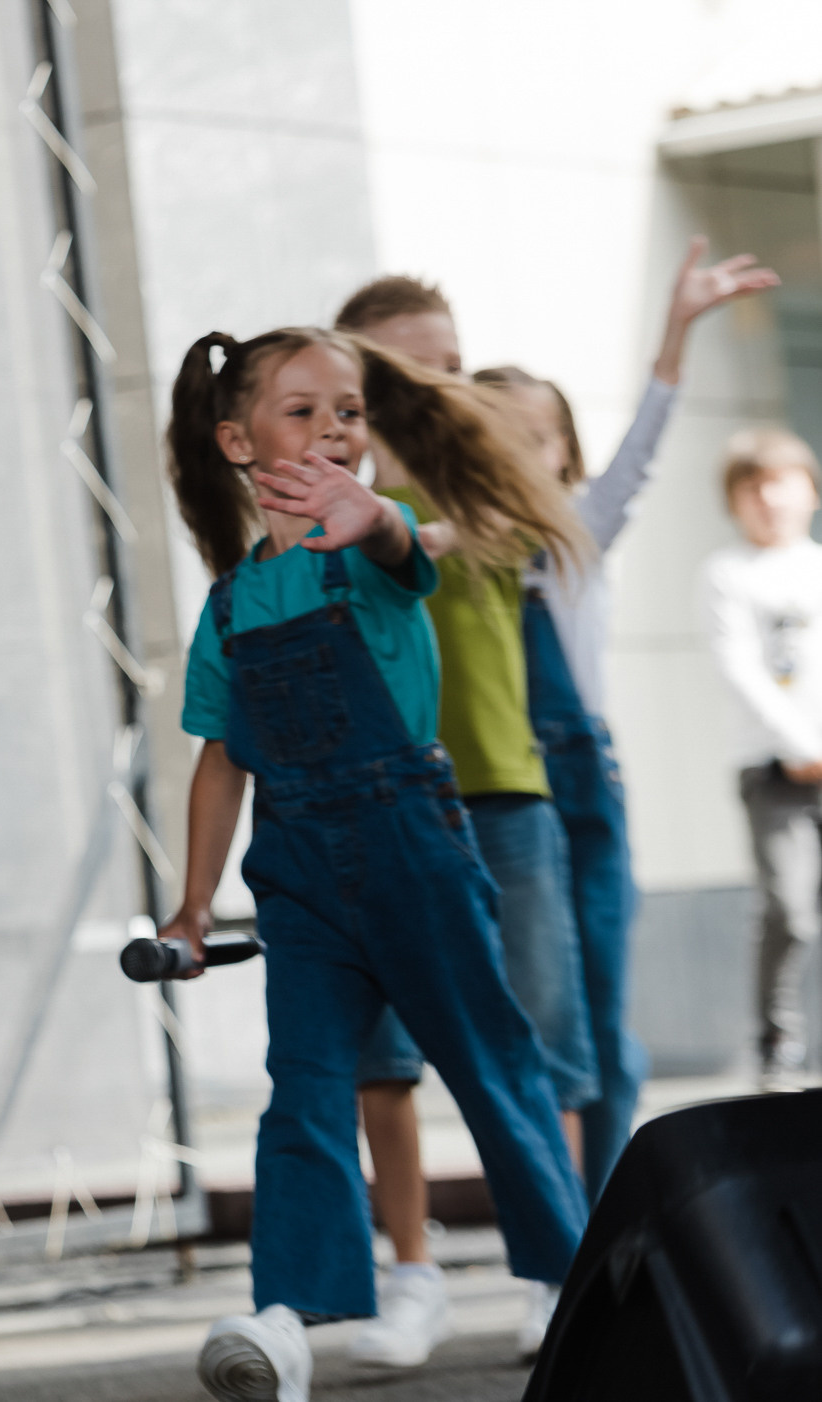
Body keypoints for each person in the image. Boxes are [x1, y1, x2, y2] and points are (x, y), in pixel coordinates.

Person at [338, 252, 778, 1367]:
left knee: (586, 1034)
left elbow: (631, 463)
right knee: (454, 1038)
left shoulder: (548, 524)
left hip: (557, 783)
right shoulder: (394, 510)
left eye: (540, 435)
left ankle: (593, 1246)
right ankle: (486, 1262)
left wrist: (674, 334)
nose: (453, 389)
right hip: (437, 784)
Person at [160, 325, 587, 1402]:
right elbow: (221, 759)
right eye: (302, 411)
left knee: (490, 1062)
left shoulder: (376, 542)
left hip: (413, 849)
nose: (335, 429)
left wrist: (382, 520)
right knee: (304, 1088)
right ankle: (285, 1318)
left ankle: (573, 1279)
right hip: (297, 872)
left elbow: (401, 545)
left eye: (348, 411)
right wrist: (192, 905)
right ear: (237, 442)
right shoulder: (229, 603)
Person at [702, 427, 822, 1093]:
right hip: (773, 772)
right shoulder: (728, 573)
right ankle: (777, 1042)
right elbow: (740, 668)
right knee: (789, 909)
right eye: (753, 487)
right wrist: (801, 745)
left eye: (782, 482)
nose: (769, 499)